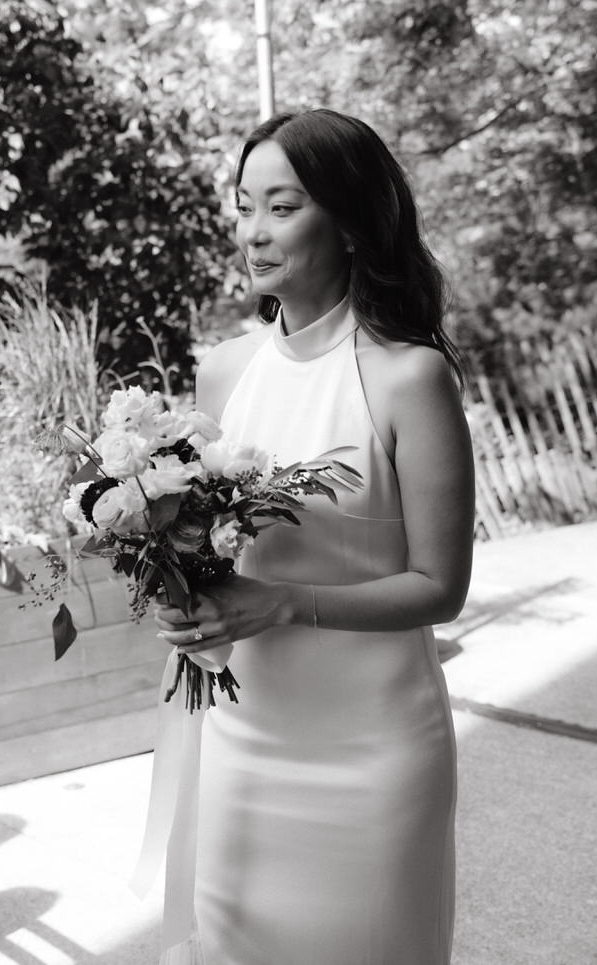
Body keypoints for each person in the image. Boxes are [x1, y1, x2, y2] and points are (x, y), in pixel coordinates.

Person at [151, 108, 474, 965]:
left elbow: (440, 585)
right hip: (244, 747)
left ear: (353, 221)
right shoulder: (221, 371)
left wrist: (285, 602)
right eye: (243, 204)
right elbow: (209, 552)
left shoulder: (411, 376)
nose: (254, 233)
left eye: (283, 207)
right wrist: (181, 594)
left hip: (376, 754)